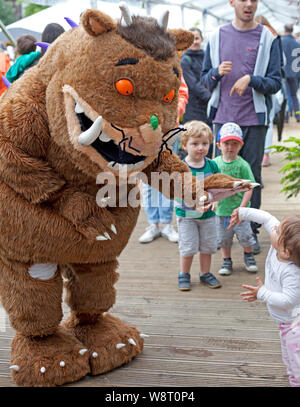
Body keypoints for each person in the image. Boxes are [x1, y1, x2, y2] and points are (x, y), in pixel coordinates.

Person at [201, 0, 282, 254]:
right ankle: (221, 231)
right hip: (223, 118)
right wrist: (216, 72)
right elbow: (205, 80)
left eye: (254, 0)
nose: (249, 4)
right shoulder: (215, 36)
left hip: (254, 119)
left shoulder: (268, 38)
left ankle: (251, 233)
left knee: (251, 179)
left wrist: (252, 80)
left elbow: (276, 82)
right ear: (232, 2)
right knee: (220, 178)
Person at [228, 207, 300, 387]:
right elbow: (267, 218)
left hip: (294, 326)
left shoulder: (292, 273)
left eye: (278, 231)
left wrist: (262, 293)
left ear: (286, 252)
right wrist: (242, 213)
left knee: (296, 362)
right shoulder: (283, 246)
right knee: (289, 359)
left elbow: (287, 300)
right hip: (284, 323)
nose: (274, 227)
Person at [138, 76, 189, 244]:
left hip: (168, 129)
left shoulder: (171, 66)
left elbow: (182, 93)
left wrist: (173, 113)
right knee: (148, 180)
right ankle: (153, 224)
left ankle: (166, 223)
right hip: (144, 130)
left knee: (166, 177)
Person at [176, 120, 221, 291]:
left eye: (205, 143)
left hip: (208, 216)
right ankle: (184, 274)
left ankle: (205, 273)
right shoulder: (182, 167)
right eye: (195, 144)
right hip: (187, 216)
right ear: (184, 145)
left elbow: (218, 186)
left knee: (207, 246)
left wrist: (216, 200)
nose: (200, 148)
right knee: (188, 247)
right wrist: (194, 206)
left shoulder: (212, 165)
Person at [213, 122, 258, 275]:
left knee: (245, 235)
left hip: (239, 211)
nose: (230, 147)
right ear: (219, 145)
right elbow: (210, 185)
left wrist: (243, 207)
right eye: (226, 143)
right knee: (224, 238)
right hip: (221, 211)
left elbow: (249, 187)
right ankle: (226, 260)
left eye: (234, 143)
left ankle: (249, 255)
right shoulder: (215, 164)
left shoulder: (243, 165)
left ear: (240, 145)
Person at [281, 24, 300, 123]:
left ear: (285, 30)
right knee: (294, 95)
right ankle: (298, 114)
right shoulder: (297, 44)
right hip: (296, 73)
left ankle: (286, 116)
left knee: (286, 94)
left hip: (284, 73)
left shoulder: (281, 42)